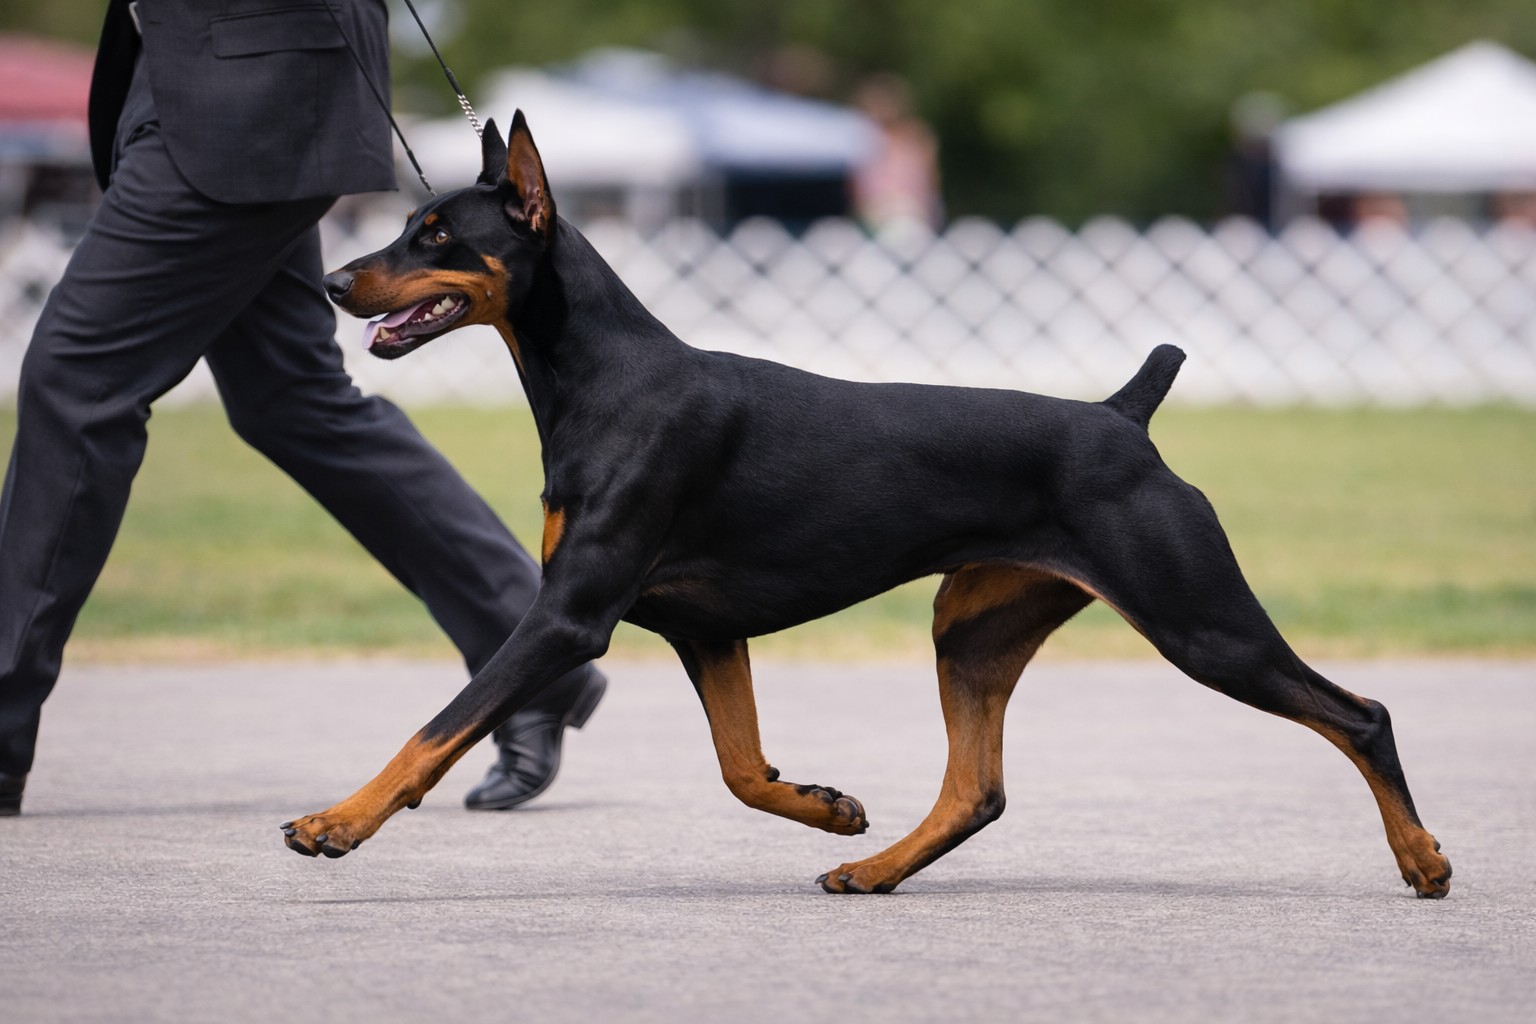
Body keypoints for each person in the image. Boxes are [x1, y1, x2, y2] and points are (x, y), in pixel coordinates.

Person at [0, 0, 602, 818]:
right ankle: (536, 658)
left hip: (251, 93)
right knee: (294, 400)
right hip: (197, 81)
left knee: (76, 382)